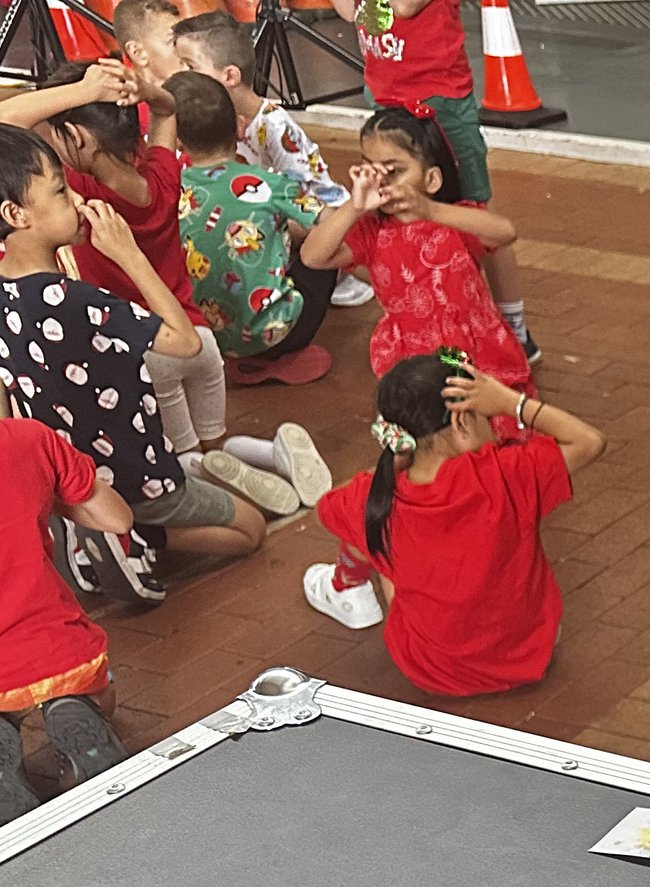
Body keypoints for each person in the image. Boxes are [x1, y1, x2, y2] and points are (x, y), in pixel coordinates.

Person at [0, 124, 265, 564]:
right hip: (136, 476)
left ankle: (93, 533)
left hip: (72, 486)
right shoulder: (74, 300)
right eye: (61, 192)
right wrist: (129, 254)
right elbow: (186, 342)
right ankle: (137, 541)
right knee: (251, 530)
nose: (78, 200)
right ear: (16, 214)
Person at [305, 352, 603, 696]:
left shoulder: (376, 495)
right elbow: (590, 441)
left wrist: (389, 469)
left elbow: (324, 509)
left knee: (368, 522)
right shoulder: (507, 473)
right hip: (532, 652)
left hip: (432, 670)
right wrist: (512, 402)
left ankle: (344, 585)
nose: (494, 425)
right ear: (461, 422)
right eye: (487, 416)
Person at [326, 0, 536, 360]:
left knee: (473, 210)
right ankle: (424, 310)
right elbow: (349, 11)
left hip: (440, 100)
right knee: (394, 213)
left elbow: (405, 7)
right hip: (386, 96)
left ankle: (513, 325)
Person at [300, 105, 531, 396]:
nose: (380, 182)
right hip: (412, 358)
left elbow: (505, 232)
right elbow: (312, 256)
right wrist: (354, 207)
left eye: (393, 171)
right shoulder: (371, 232)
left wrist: (429, 210)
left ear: (432, 179)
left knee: (481, 411)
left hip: (474, 352)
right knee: (427, 417)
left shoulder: (453, 219)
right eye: (370, 170)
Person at [170, 10, 378, 310]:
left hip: (312, 213)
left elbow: (307, 196)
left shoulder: (273, 125)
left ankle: (345, 272)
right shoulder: (207, 122)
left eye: (190, 66)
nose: (180, 75)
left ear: (230, 76)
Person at [0, 416, 132, 822]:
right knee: (97, 688)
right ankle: (75, 706)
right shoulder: (28, 438)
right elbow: (118, 519)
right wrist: (43, 490)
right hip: (57, 649)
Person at [166, 73, 336, 388]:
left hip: (203, 333)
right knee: (323, 248)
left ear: (177, 142)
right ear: (240, 126)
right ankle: (278, 358)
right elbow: (330, 222)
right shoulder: (272, 185)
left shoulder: (169, 188)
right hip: (275, 335)